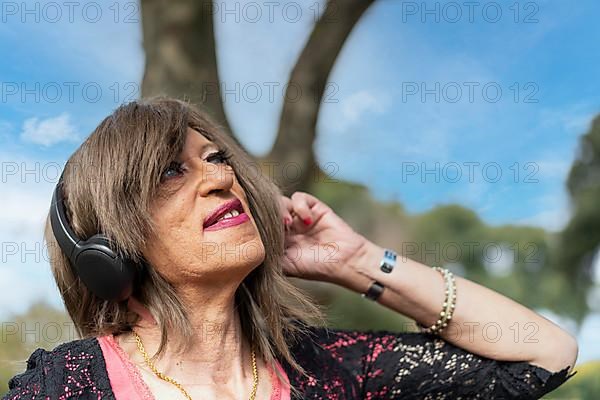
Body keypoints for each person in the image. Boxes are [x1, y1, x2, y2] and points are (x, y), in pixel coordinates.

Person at [3, 97, 578, 400]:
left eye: (216, 158)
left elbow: (543, 355)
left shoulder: (325, 369)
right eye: (171, 171)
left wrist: (356, 264)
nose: (218, 178)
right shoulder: (67, 385)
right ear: (107, 250)